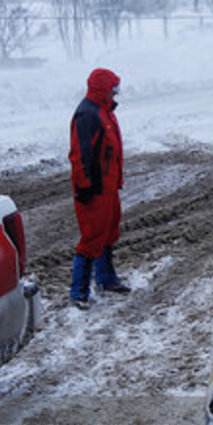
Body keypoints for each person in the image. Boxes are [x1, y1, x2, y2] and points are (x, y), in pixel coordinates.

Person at [69, 67, 130, 308]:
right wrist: (84, 186)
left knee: (109, 232)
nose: (117, 92)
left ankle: (106, 279)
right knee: (92, 237)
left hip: (109, 186)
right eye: (113, 87)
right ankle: (78, 293)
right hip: (93, 189)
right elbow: (79, 155)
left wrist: (116, 181)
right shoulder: (87, 114)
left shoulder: (105, 111)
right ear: (103, 88)